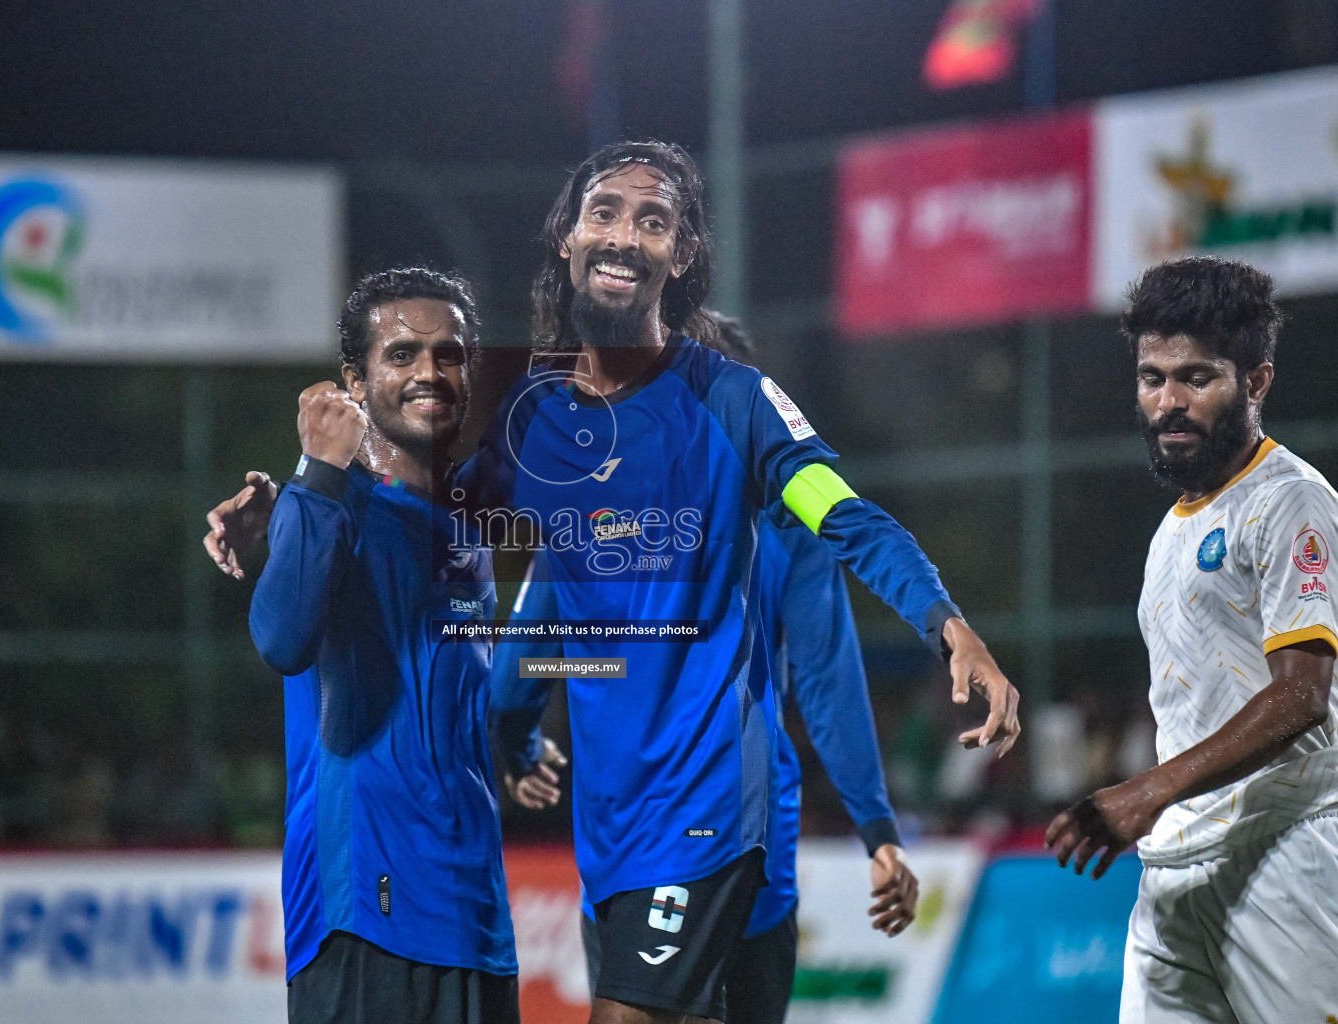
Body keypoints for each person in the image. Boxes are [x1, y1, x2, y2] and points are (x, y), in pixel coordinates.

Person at [449, 140, 1017, 1024]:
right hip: (608, 831)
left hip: (710, 804)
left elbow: (848, 524)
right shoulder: (542, 429)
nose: (624, 235)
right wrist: (310, 506)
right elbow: (521, 624)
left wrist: (950, 628)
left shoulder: (739, 404)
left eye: (653, 220)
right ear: (567, 237)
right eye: (604, 211)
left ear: (679, 257)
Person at [495, 315, 917, 1024]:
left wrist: (518, 740)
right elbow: (824, 680)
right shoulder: (788, 513)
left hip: (621, 845)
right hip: (743, 847)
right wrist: (877, 830)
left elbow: (517, 666)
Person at [1045, 257, 1338, 1023]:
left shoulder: (1291, 502)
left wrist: (1145, 790)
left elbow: (1302, 697)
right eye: (1152, 378)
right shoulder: (1175, 528)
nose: (1168, 402)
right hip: (1172, 871)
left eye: (1196, 378)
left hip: (1284, 858)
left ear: (1258, 380)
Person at [244, 267, 519, 1024]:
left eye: (449, 354)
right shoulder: (334, 502)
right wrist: (313, 476)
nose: (429, 371)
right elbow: (279, 639)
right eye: (401, 355)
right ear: (354, 384)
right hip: (367, 907)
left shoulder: (470, 530)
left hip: (476, 916)